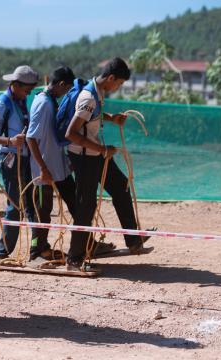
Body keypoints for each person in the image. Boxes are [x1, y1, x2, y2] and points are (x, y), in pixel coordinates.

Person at [65, 57, 149, 272]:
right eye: (119, 83)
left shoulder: (96, 91)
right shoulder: (88, 97)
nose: (117, 87)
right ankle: (74, 260)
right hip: (85, 156)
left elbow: (90, 117)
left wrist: (111, 118)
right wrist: (103, 150)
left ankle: (133, 241)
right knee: (86, 204)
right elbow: (71, 133)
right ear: (111, 78)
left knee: (121, 186)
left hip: (96, 152)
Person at [0, 65, 39, 259]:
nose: (28, 94)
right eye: (26, 90)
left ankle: (36, 248)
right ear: (15, 85)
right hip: (10, 160)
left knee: (31, 202)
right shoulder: (3, 103)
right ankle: (2, 252)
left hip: (25, 158)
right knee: (14, 206)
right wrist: (9, 141)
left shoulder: (20, 101)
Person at [26, 66, 77, 261]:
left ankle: (87, 243)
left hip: (59, 168)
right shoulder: (43, 103)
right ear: (61, 84)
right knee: (43, 212)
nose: (66, 93)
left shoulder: (51, 102)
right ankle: (36, 252)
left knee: (76, 203)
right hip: (44, 171)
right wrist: (42, 168)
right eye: (67, 89)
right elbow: (31, 138)